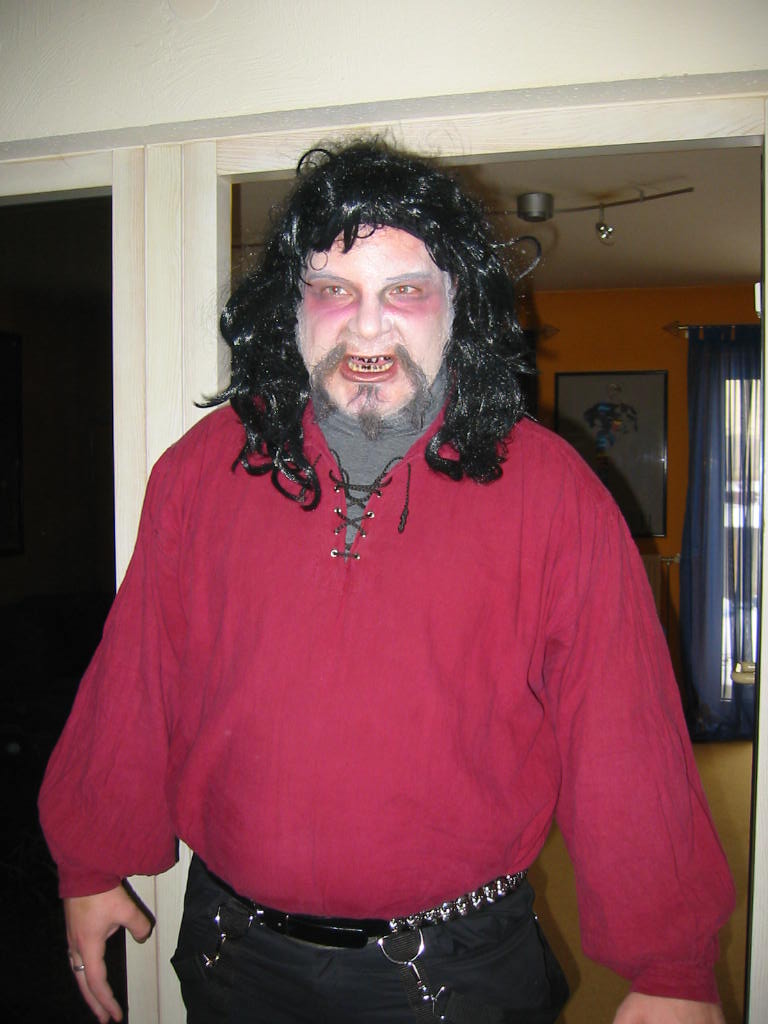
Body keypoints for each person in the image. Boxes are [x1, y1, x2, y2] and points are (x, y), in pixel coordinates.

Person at [39, 139, 734, 1024]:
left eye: (405, 291)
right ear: (291, 307)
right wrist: (91, 862)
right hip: (232, 956)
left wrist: (671, 965)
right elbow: (137, 674)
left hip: (454, 975)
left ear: (458, 305)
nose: (367, 329)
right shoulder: (201, 471)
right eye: (335, 290)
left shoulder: (554, 493)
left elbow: (625, 733)